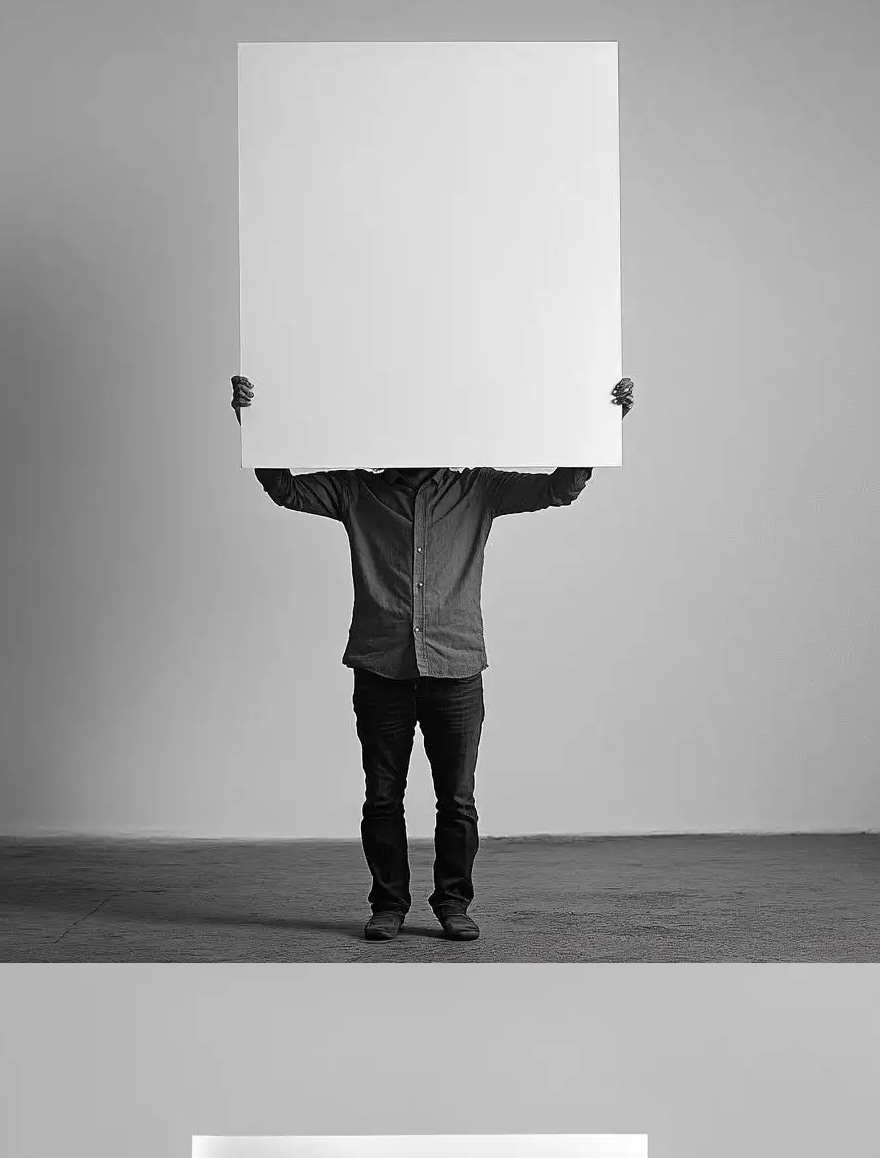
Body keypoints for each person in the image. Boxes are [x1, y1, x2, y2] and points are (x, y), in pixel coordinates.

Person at [230, 374, 635, 943]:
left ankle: (453, 904)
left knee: (458, 801)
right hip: (381, 669)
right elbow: (284, 489)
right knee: (382, 799)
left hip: (456, 668)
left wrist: (600, 423)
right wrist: (255, 418)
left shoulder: (480, 489)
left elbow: (559, 488)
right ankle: (388, 906)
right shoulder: (357, 491)